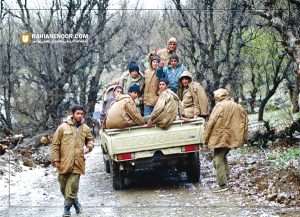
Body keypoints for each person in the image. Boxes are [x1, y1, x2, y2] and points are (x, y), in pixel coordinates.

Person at [51, 104, 94, 217]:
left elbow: (90, 140)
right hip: (64, 162)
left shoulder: (85, 128)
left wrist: (88, 147)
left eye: (82, 114)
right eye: (78, 113)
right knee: (63, 188)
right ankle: (76, 204)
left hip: (78, 162)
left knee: (73, 187)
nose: (80, 116)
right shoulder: (62, 127)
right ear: (73, 114)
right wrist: (56, 159)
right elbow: (55, 144)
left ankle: (66, 210)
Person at [204, 88, 248, 193]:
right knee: (222, 157)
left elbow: (211, 123)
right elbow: (245, 121)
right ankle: (227, 178)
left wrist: (205, 138)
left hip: (220, 137)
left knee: (218, 160)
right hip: (231, 137)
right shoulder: (237, 105)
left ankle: (222, 184)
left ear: (218, 96)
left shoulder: (219, 106)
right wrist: (243, 136)